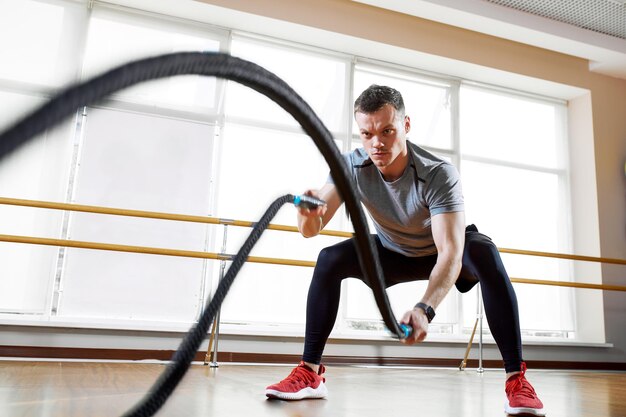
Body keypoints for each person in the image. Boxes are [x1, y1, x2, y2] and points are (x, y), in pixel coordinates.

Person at [265, 85, 545, 416]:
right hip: (392, 252)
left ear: (406, 126)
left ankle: (516, 379)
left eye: (387, 131)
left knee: (484, 252)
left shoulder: (438, 174)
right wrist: (306, 215)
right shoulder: (351, 166)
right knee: (330, 258)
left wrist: (424, 309)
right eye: (367, 134)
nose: (377, 143)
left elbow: (450, 252)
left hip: (442, 252)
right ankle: (310, 373)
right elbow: (310, 231)